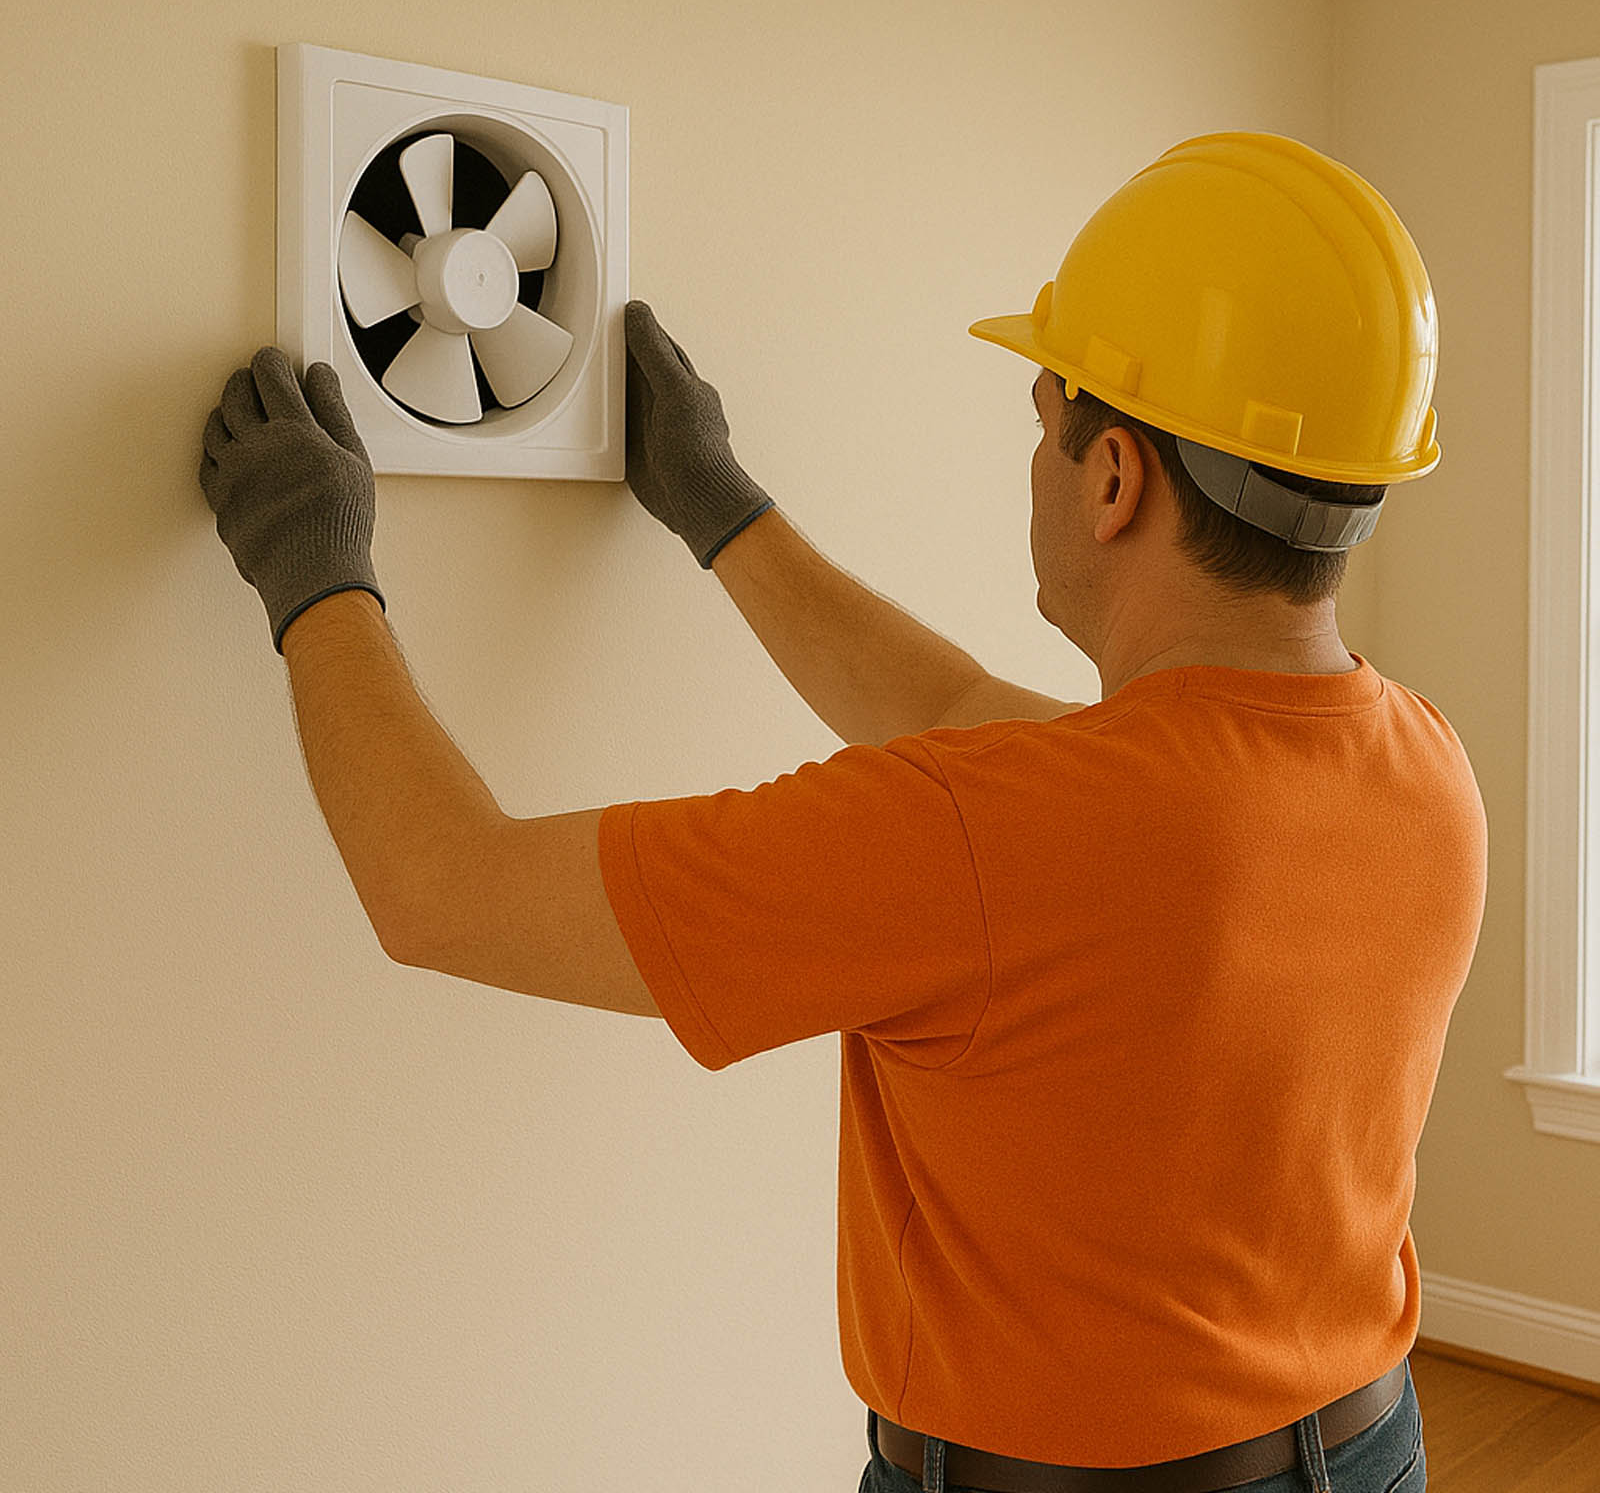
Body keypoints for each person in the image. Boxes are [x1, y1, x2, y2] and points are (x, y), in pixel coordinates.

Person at [200, 130, 1485, 1491]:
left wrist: (312, 566)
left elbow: (444, 890)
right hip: (1369, 1444)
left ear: (1115, 479)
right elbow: (960, 714)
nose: (1035, 459)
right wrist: (724, 512)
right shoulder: (1419, 766)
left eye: (1045, 417)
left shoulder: (994, 830)